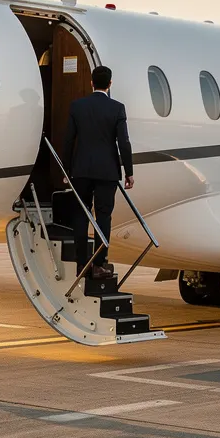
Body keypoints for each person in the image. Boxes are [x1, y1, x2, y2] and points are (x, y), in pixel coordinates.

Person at [62, 65, 134, 280]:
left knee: (81, 215)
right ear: (110, 84)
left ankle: (81, 265)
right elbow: (124, 142)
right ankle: (99, 264)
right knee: (103, 216)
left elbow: (68, 140)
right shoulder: (117, 108)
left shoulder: (78, 106)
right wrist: (128, 171)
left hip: (81, 170)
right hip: (107, 172)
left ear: (91, 82)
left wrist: (66, 170)